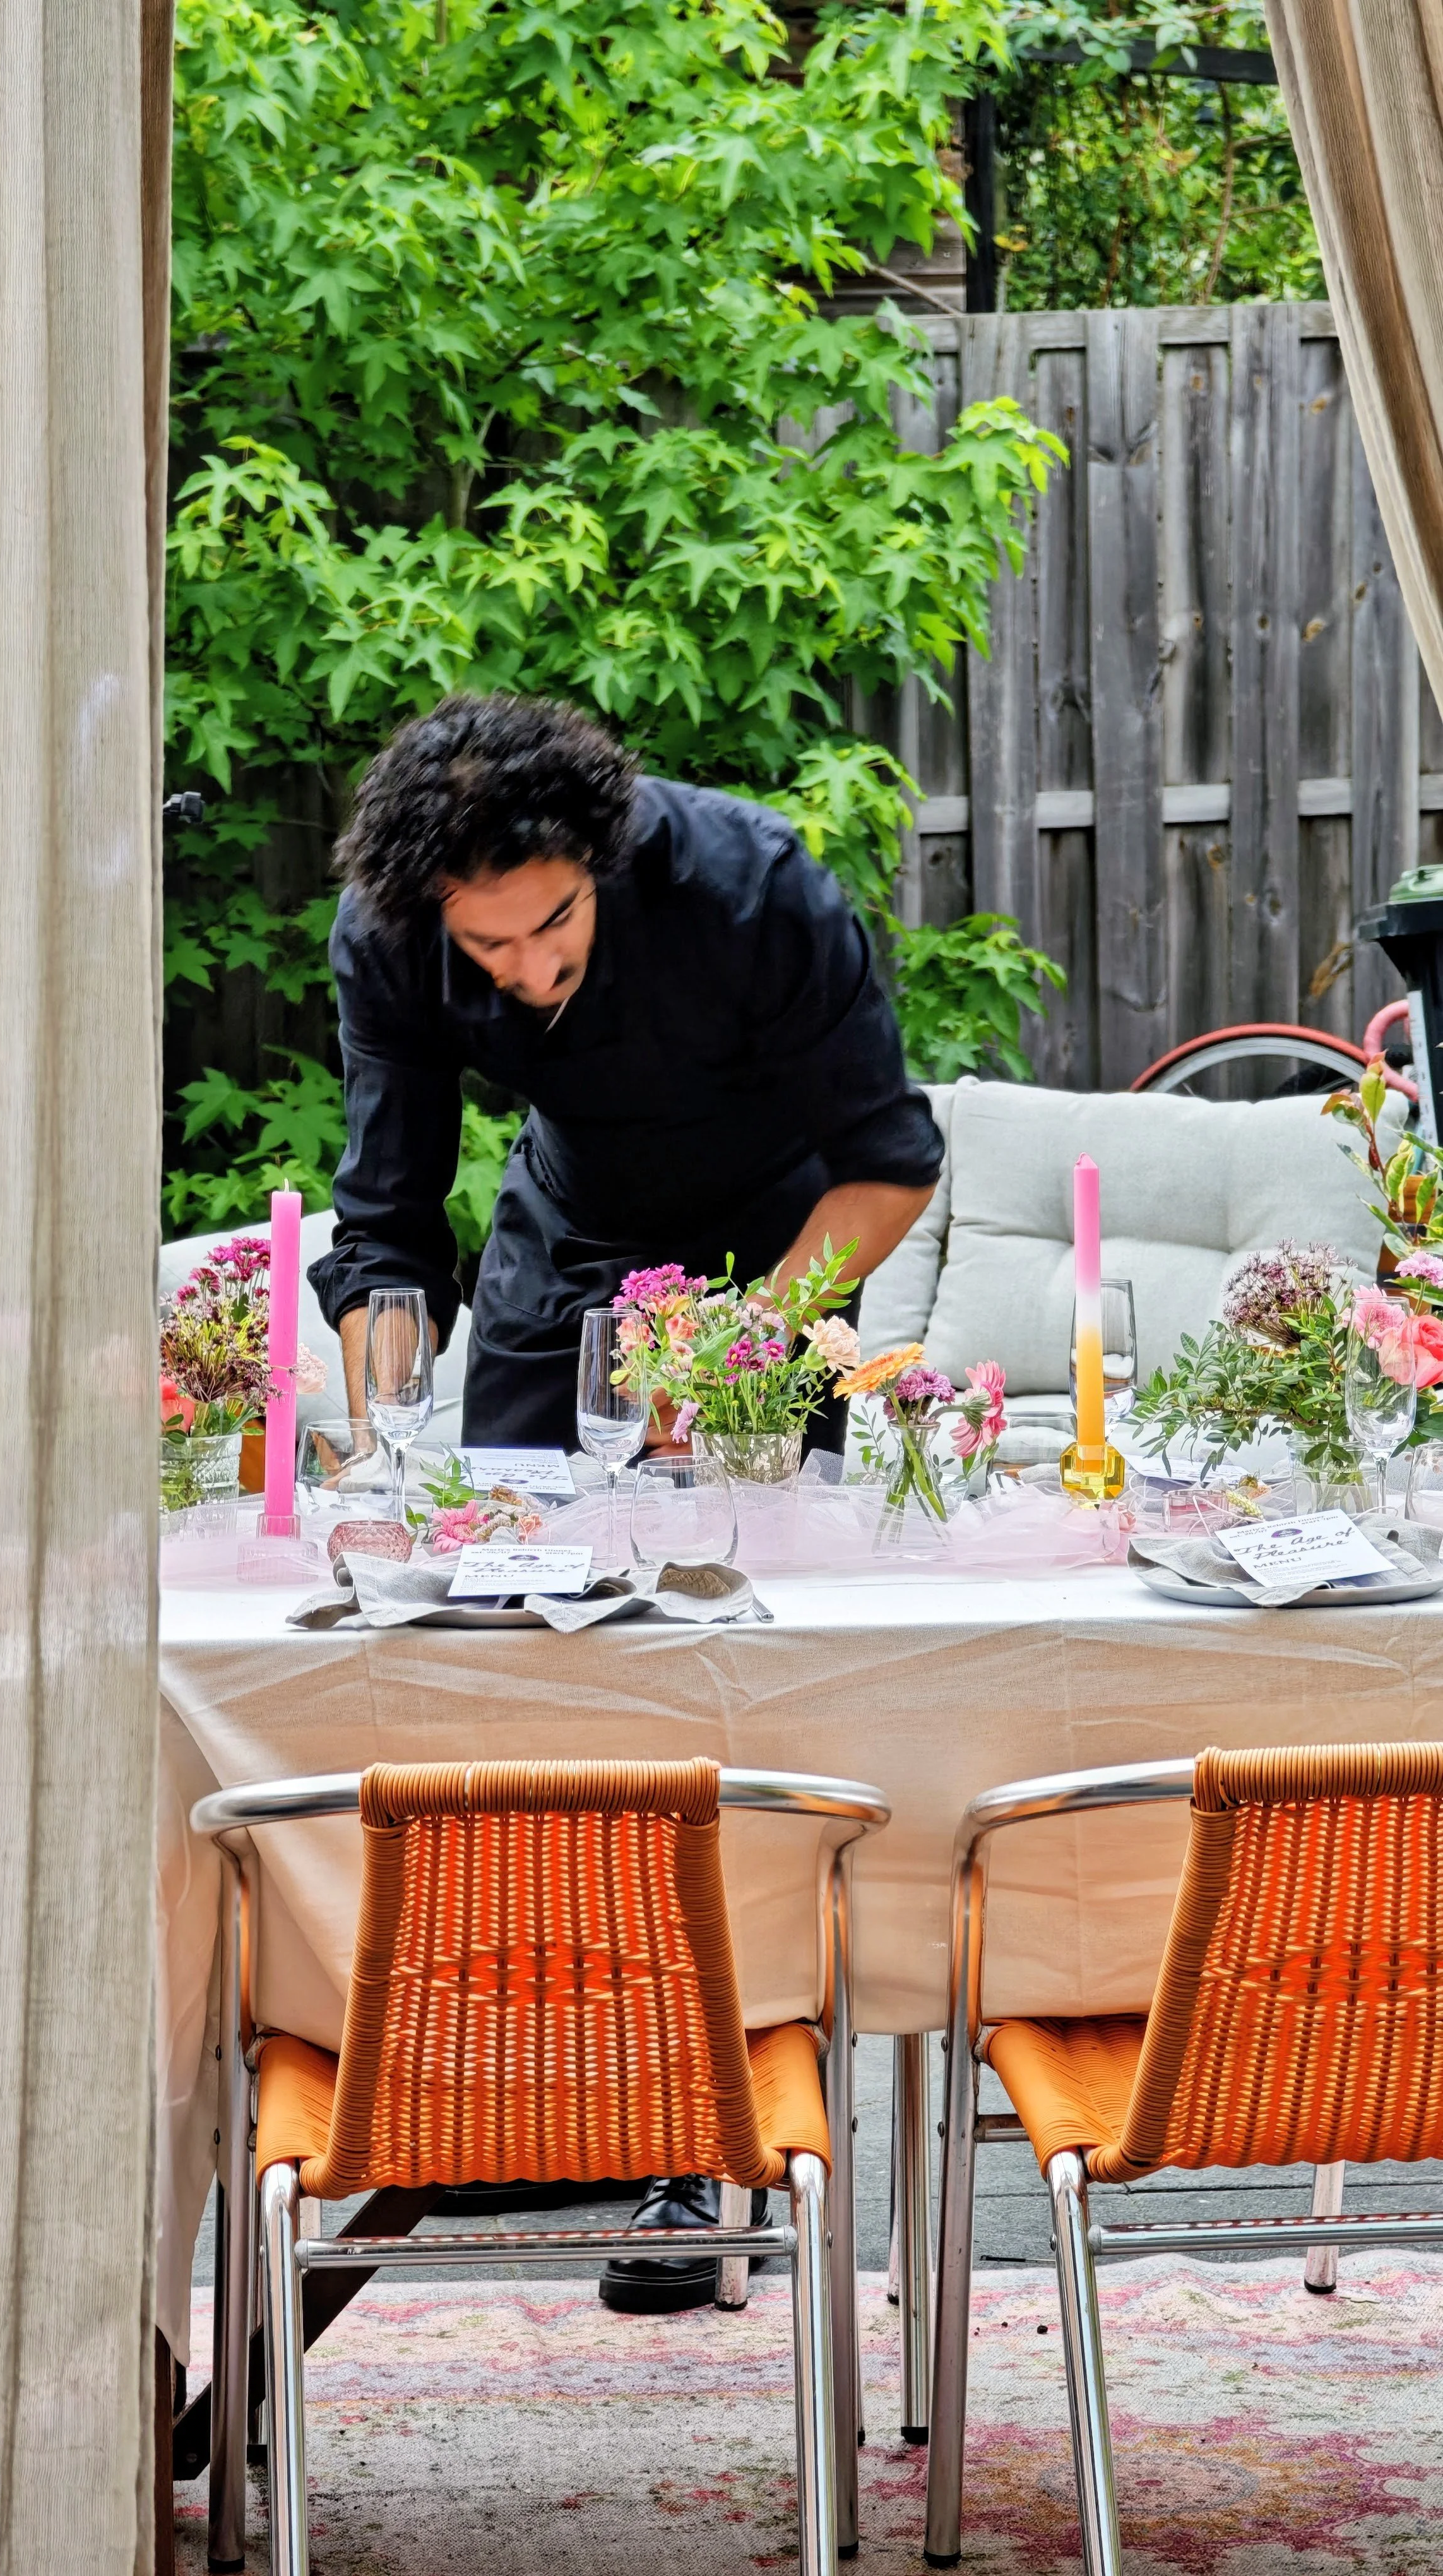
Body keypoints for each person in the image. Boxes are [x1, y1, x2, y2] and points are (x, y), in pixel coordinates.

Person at [310, 691, 942, 2306]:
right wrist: (385, 1417)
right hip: (564, 1251)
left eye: (547, 928)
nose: (520, 972)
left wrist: (734, 1345)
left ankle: (709, 2148)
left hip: (772, 1246)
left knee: (724, 1687)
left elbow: (887, 1161)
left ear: (601, 857)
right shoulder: (392, 940)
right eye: (485, 950)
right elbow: (385, 1221)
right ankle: (535, 2082)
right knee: (527, 1666)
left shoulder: (753, 884)